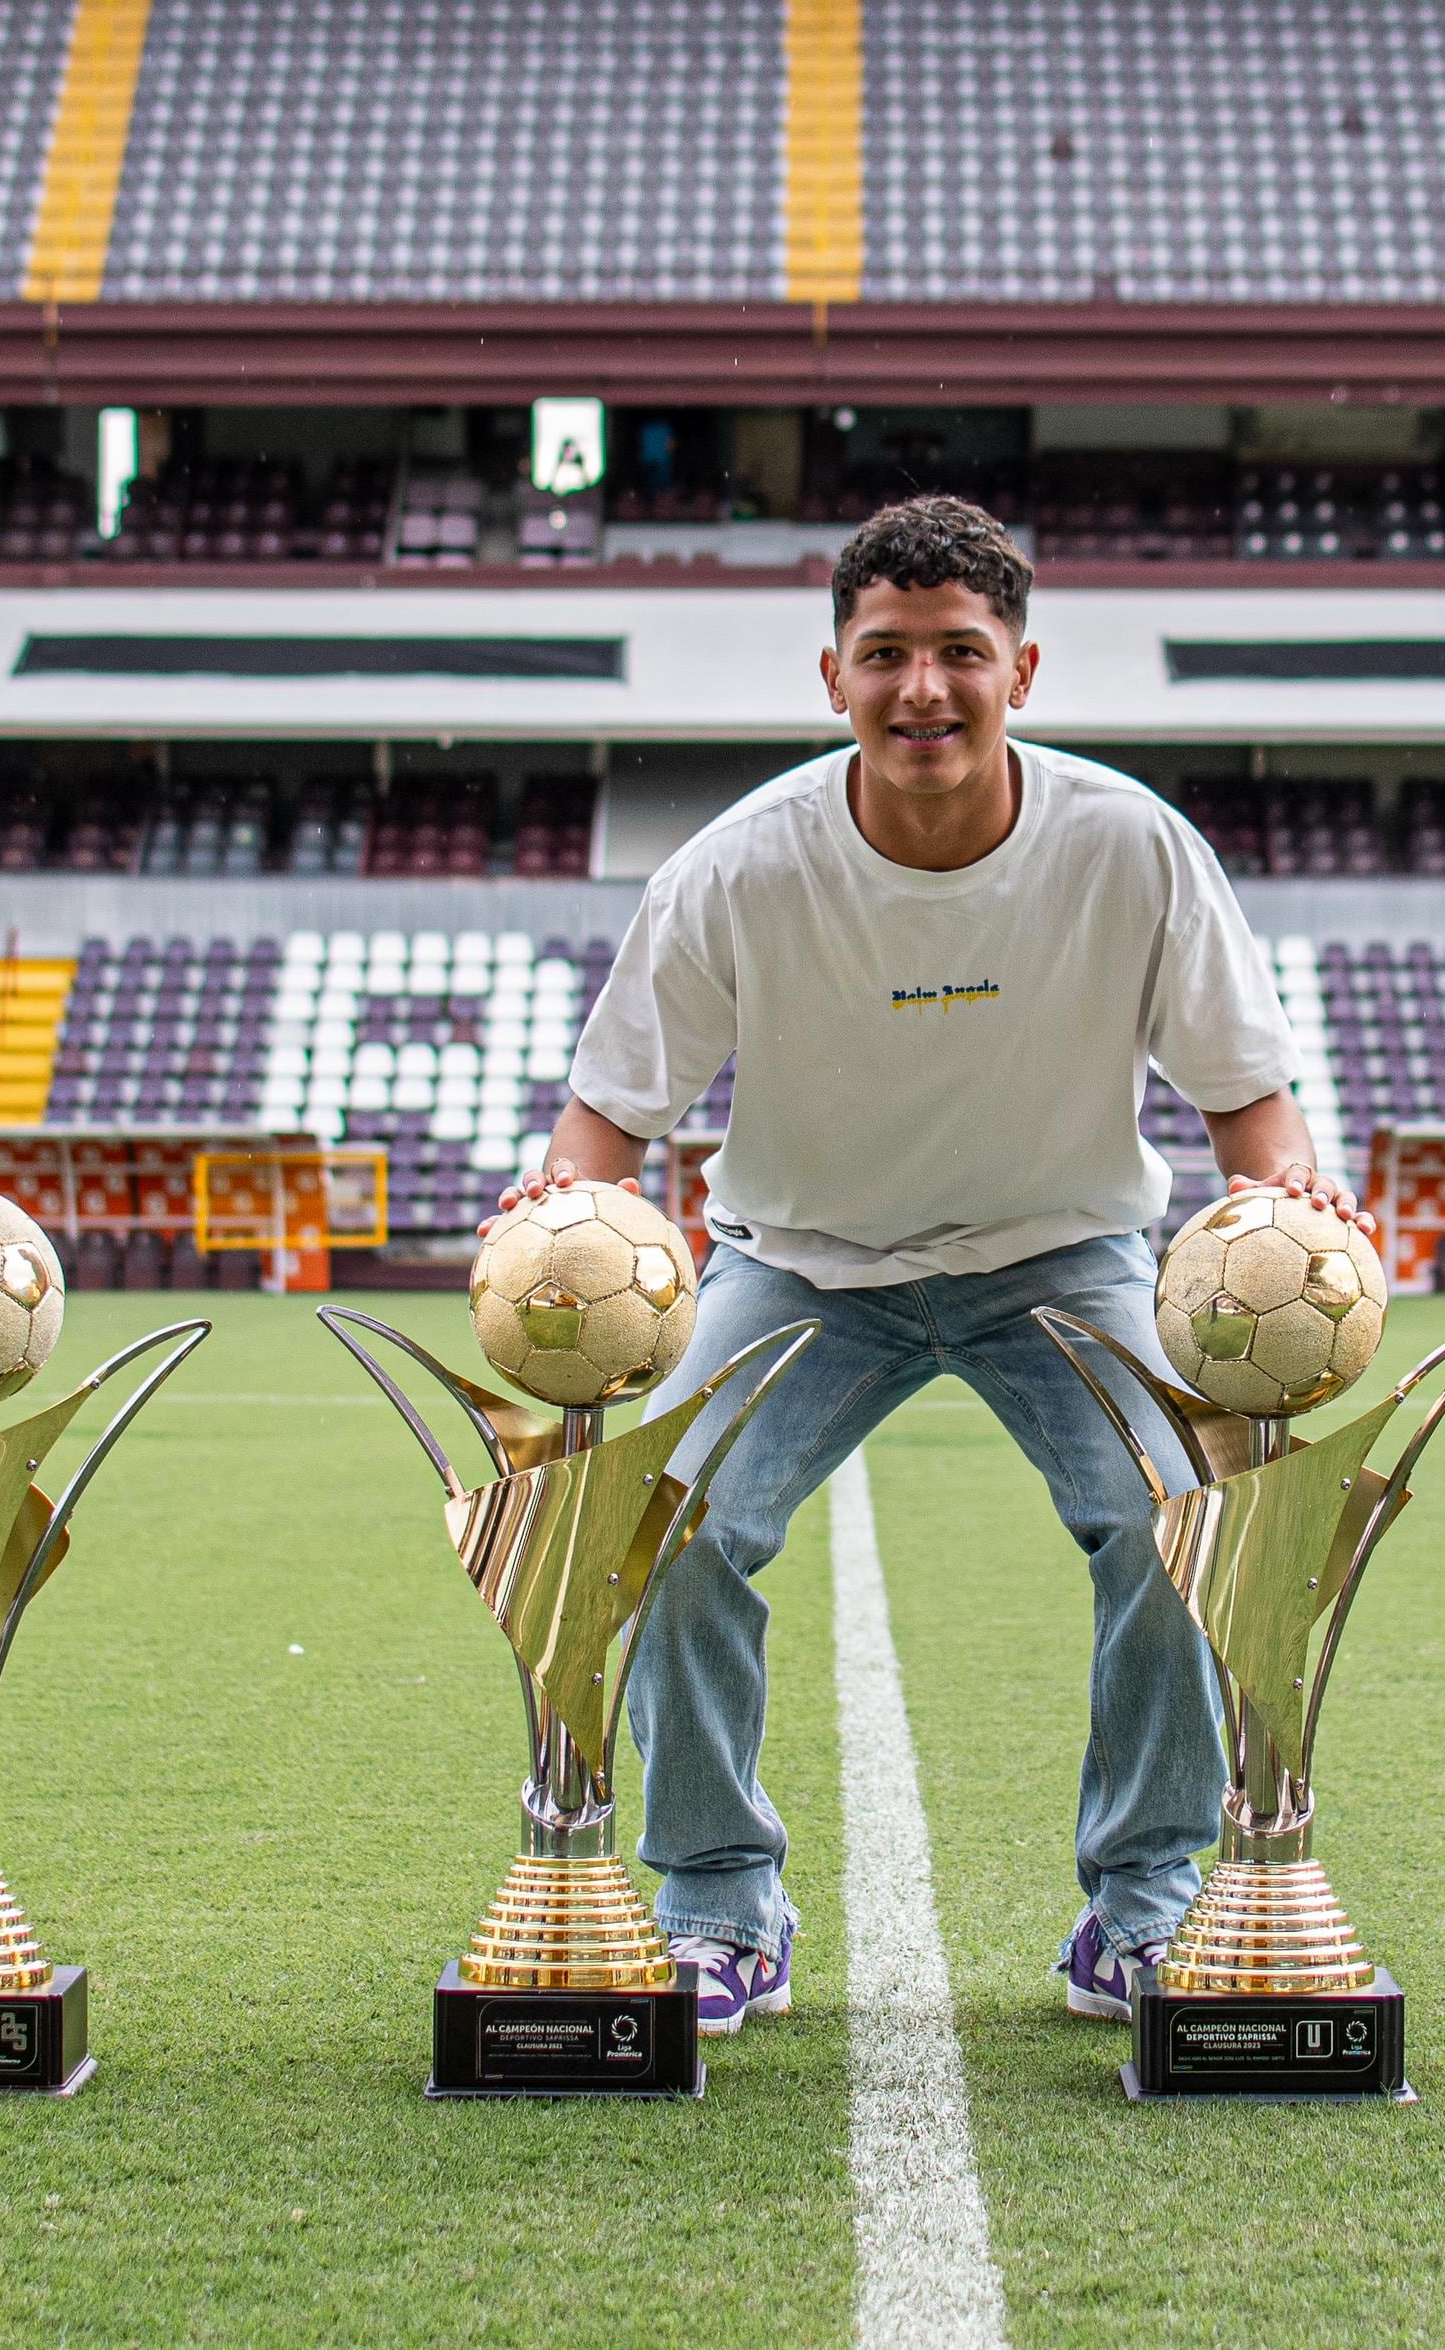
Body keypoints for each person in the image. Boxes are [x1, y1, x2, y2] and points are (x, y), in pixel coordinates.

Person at [492, 493, 1362, 2039]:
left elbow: (1252, 1106)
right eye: (886, 651)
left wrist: (1293, 1203)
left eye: (960, 649)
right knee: (669, 1522)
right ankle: (716, 1902)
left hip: (1065, 1257)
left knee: (1179, 1522)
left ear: (1021, 670)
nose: (923, 687)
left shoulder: (1131, 846)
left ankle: (1147, 1901)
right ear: (833, 674)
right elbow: (607, 1119)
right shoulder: (740, 865)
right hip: (801, 1265)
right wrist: (561, 1210)